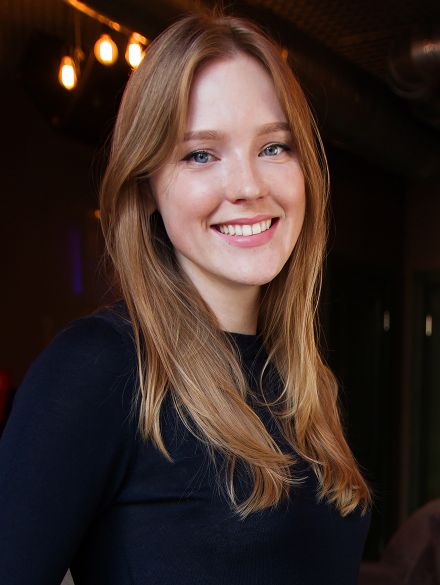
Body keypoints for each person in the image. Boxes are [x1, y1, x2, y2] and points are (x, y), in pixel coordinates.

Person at [0, 12, 372, 585]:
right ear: (146, 184)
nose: (248, 186)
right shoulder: (100, 368)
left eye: (274, 147)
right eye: (201, 154)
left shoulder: (304, 383)